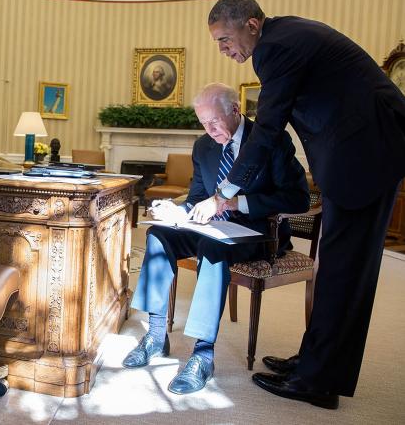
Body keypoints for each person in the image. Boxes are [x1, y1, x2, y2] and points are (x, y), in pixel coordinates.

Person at [205, 0, 405, 409]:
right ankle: (312, 362)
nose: (223, 49)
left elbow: (268, 132)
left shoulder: (275, 47)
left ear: (252, 25)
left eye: (225, 38)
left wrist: (225, 191)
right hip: (358, 156)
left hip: (366, 158)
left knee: (344, 273)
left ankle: (318, 381)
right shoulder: (285, 37)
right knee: (334, 267)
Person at [124, 83, 309, 395]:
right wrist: (176, 211)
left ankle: (203, 355)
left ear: (235, 110)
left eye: (214, 122)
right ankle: (156, 336)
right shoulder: (203, 147)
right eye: (203, 123)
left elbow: (298, 199)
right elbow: (198, 197)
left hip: (257, 234)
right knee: (158, 236)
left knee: (213, 248)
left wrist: (236, 203)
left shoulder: (270, 141)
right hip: (212, 228)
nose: (209, 130)